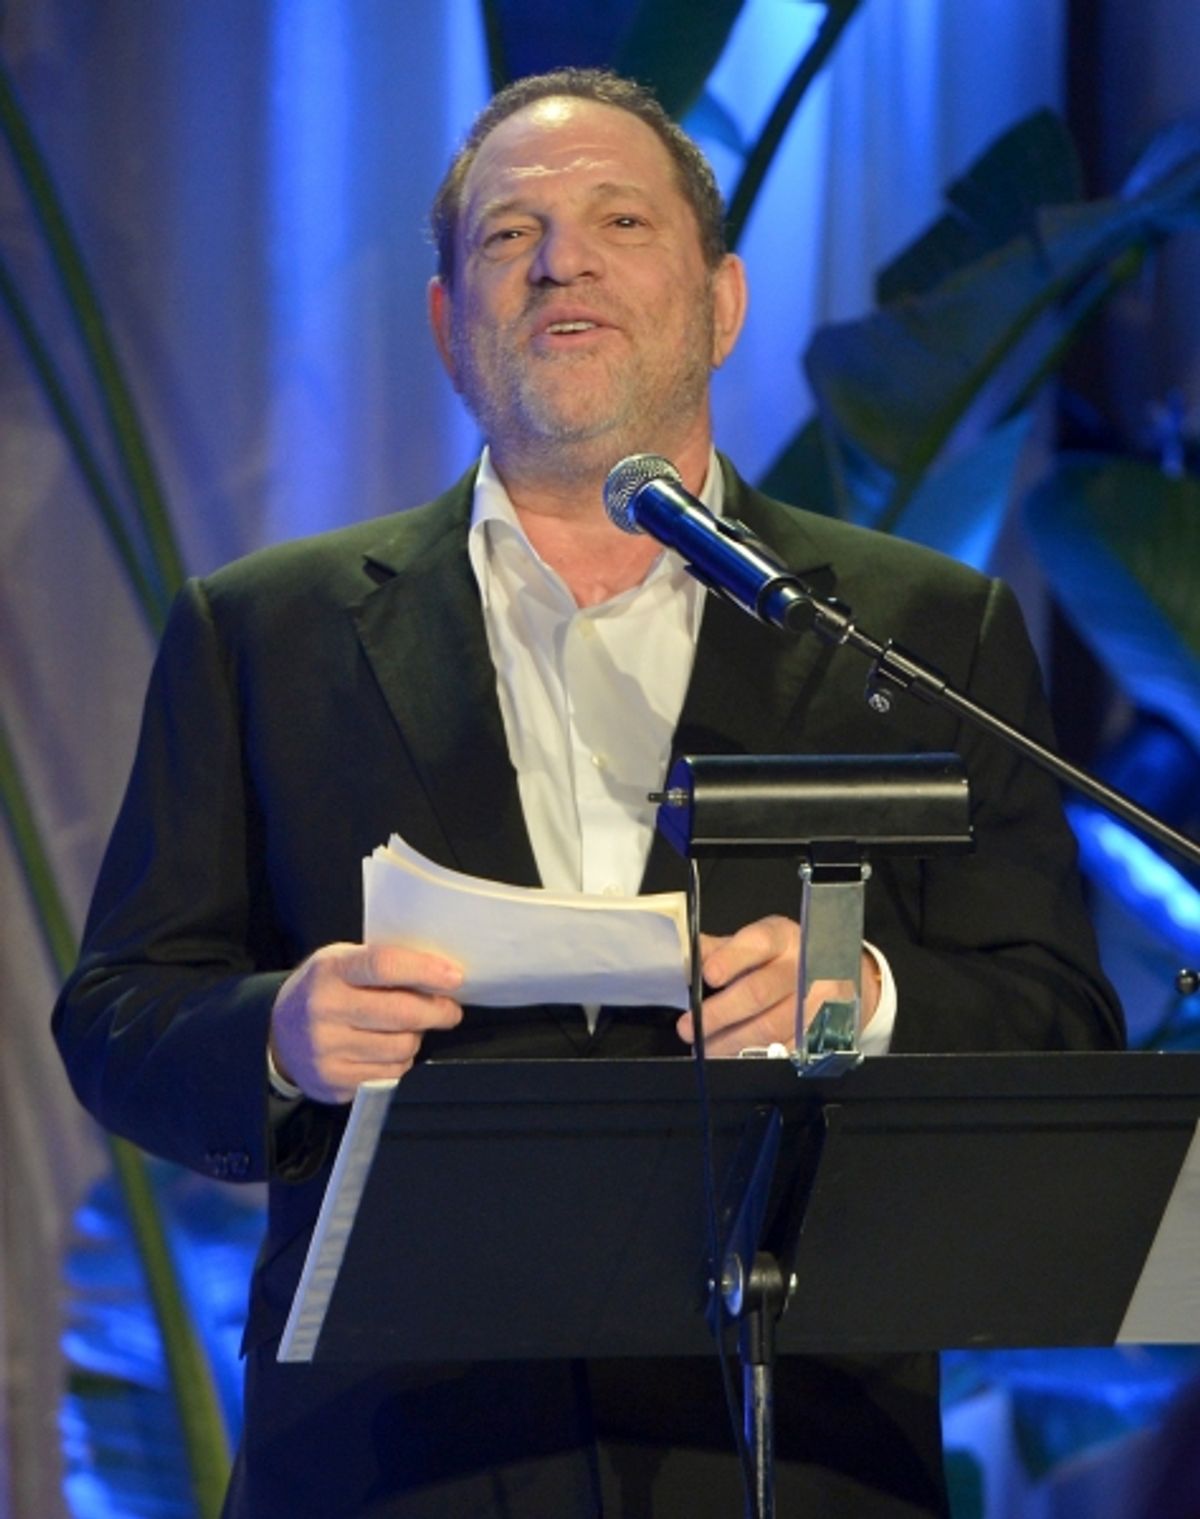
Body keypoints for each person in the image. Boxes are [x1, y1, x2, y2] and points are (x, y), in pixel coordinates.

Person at [53, 68, 1123, 1519]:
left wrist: (859, 999)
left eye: (620, 218)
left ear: (722, 300)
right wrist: (285, 1033)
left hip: (793, 1445)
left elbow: (1061, 1021)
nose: (563, 257)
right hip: (396, 1453)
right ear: (446, 324)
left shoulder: (918, 632)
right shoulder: (265, 630)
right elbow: (121, 1012)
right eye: (509, 235)